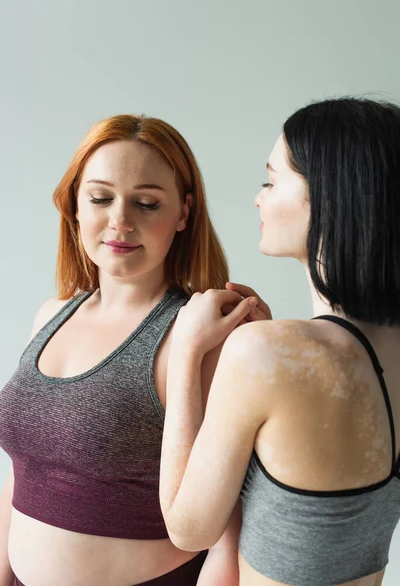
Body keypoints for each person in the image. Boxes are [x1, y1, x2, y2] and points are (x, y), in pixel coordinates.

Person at [0, 113, 269, 586]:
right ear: (75, 206)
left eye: (146, 203)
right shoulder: (50, 316)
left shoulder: (206, 339)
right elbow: (23, 475)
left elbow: (230, 531)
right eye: (101, 198)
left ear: (183, 213)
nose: (119, 221)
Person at [159, 97, 400, 586]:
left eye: (272, 180)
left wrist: (187, 348)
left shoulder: (268, 352)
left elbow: (188, 528)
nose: (258, 198)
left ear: (330, 195)